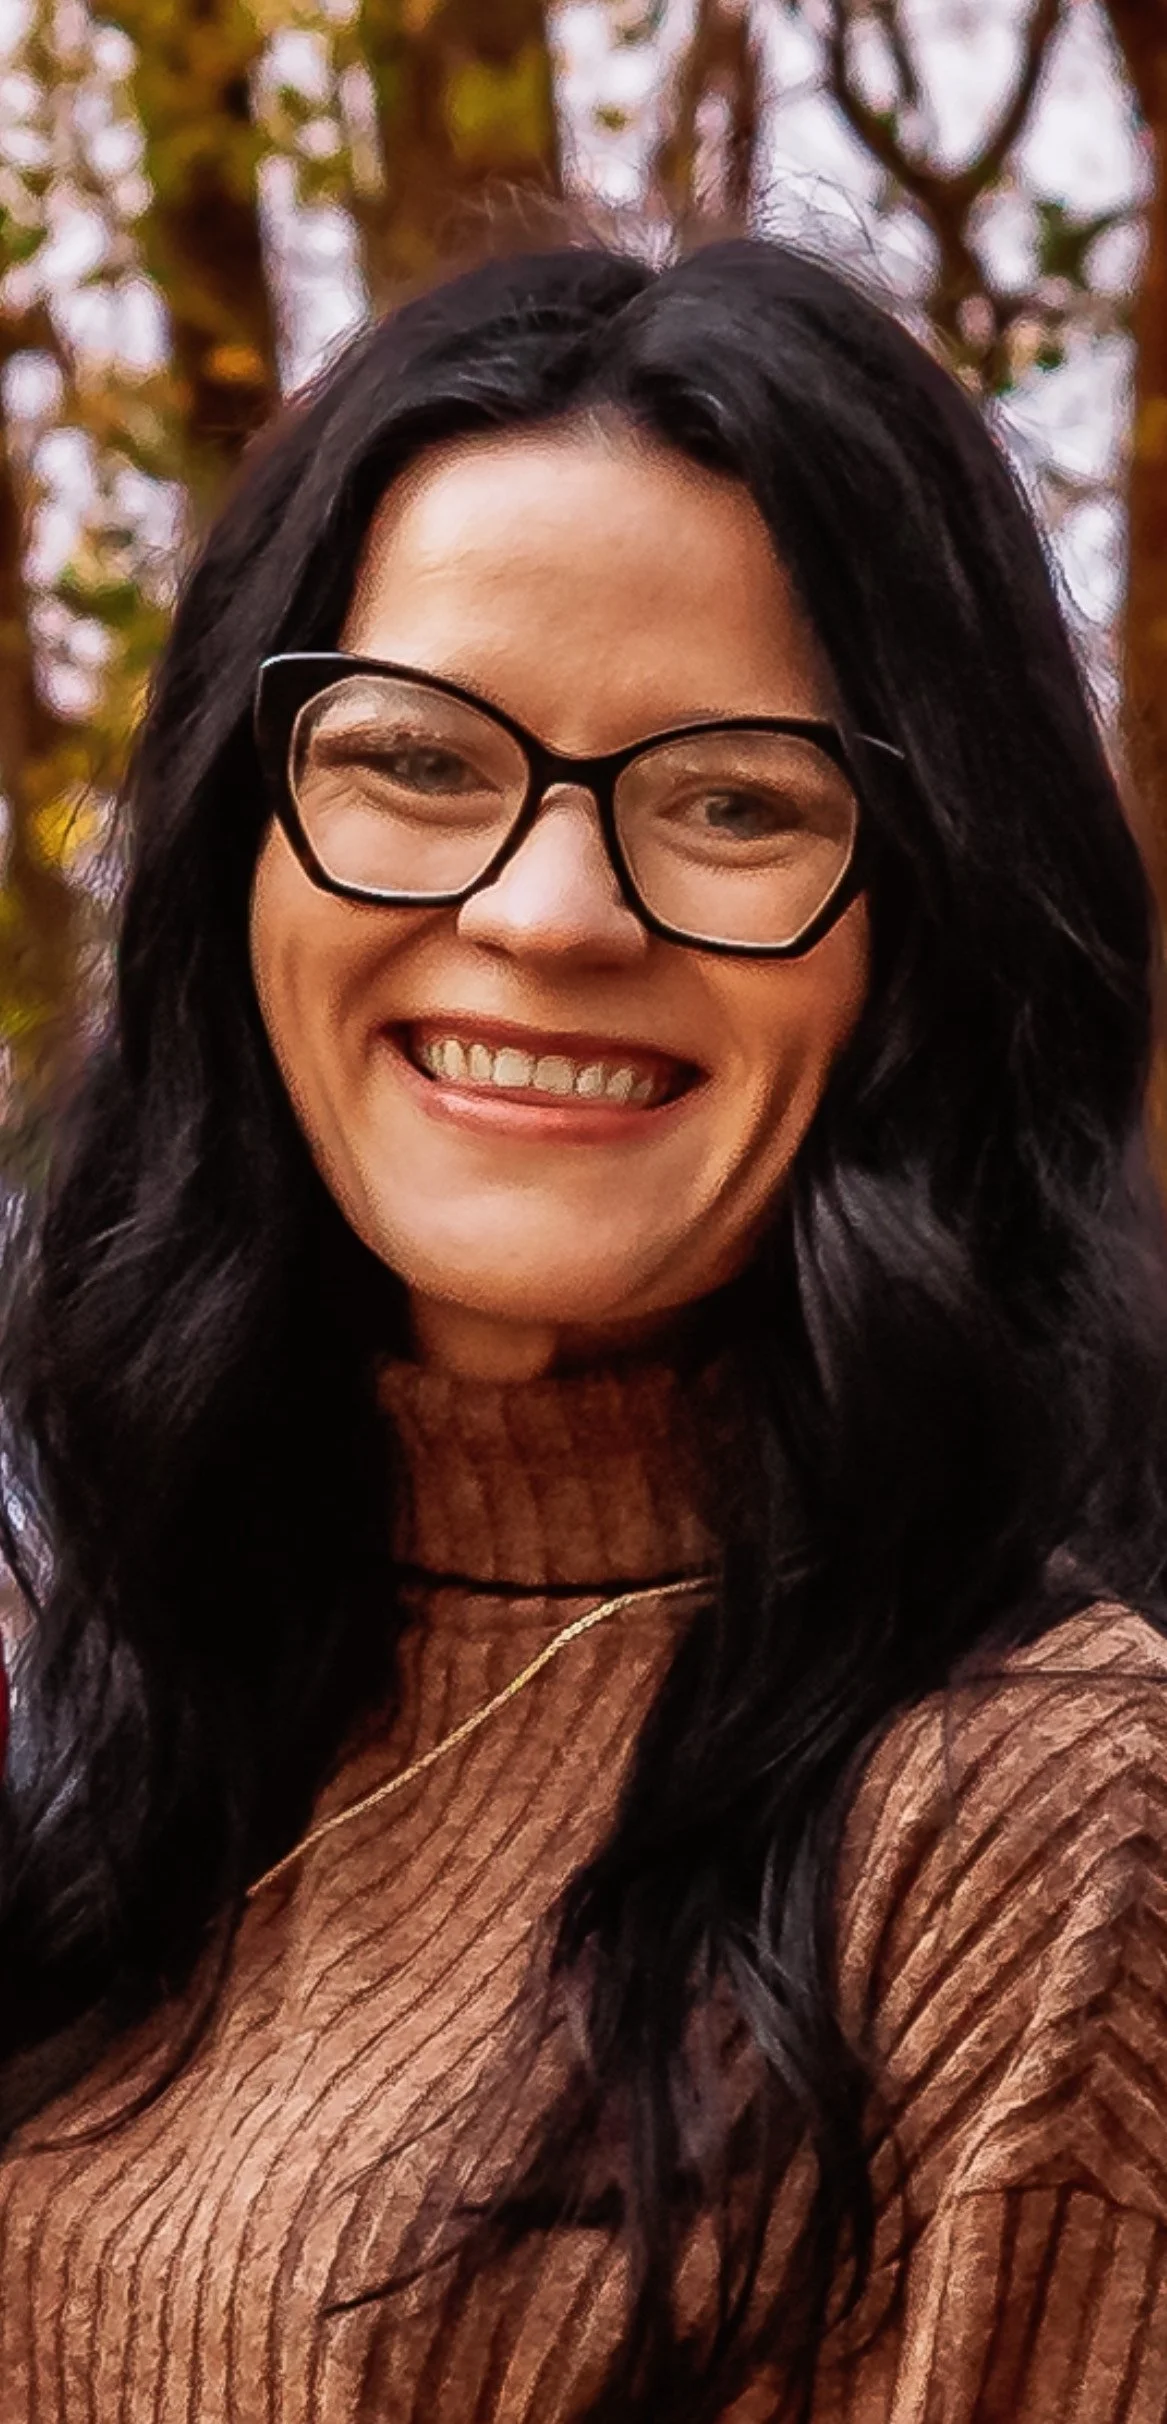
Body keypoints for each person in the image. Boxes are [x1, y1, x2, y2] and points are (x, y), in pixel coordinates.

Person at [0, 230, 1165, 2424]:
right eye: (416, 761)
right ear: (246, 845)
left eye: (735, 804)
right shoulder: (117, 1660)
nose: (544, 914)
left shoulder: (1037, 1826)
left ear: (922, 938)